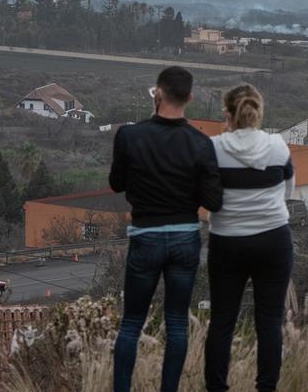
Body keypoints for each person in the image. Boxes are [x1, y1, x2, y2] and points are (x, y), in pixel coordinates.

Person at [110, 66, 223, 392]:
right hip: (185, 238)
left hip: (145, 236)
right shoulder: (201, 143)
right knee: (177, 322)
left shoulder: (129, 135)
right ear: (190, 97)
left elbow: (116, 183)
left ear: (157, 93)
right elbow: (214, 201)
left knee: (131, 323)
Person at [204, 83, 295, 392]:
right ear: (258, 111)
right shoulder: (278, 146)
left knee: (222, 321)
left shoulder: (213, 147)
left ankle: (217, 388)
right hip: (273, 240)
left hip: (227, 242)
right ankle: (266, 388)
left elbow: (205, 192)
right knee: (270, 320)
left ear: (228, 113)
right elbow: (289, 192)